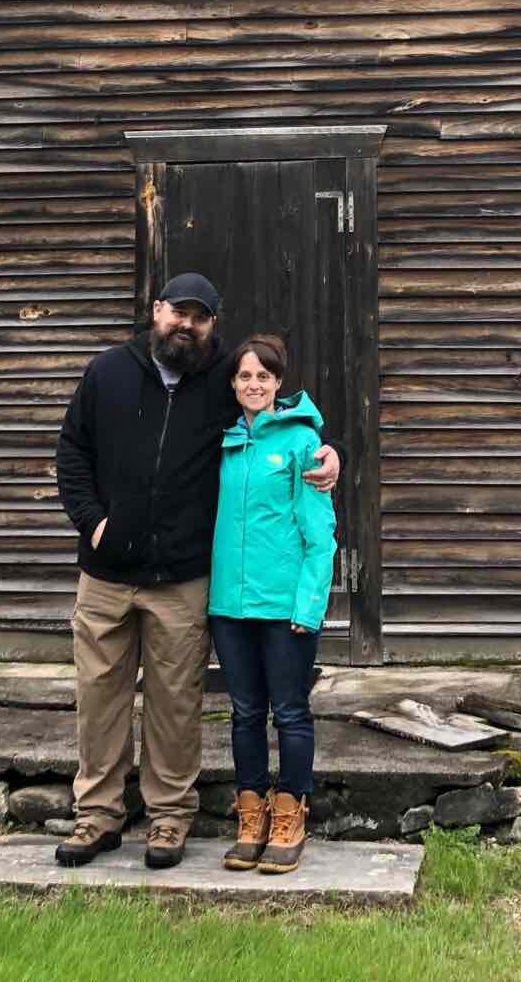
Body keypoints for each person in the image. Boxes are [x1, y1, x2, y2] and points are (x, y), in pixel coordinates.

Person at [52, 274, 340, 870]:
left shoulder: (219, 383)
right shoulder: (106, 372)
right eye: (177, 312)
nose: (185, 324)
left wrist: (331, 452)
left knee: (175, 704)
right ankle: (97, 817)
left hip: (181, 579)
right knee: (99, 697)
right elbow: (71, 452)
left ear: (212, 325)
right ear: (155, 311)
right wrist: (92, 522)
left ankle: (168, 820)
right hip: (106, 574)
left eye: (199, 317)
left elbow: (279, 416)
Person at [209, 333, 336, 874]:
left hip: (284, 609)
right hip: (229, 608)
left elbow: (320, 534)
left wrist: (308, 607)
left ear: (279, 383)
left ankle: (291, 813)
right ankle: (251, 813)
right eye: (244, 376)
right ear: (233, 385)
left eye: (264, 376)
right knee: (243, 714)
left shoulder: (304, 443)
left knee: (289, 712)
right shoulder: (223, 442)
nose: (254, 384)